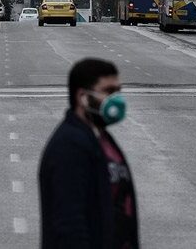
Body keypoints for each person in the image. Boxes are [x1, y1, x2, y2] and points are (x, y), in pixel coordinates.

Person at [39, 59, 138, 249]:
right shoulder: (69, 146)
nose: (117, 99)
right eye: (108, 92)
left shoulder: (101, 137)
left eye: (119, 91)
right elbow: (69, 225)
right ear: (83, 97)